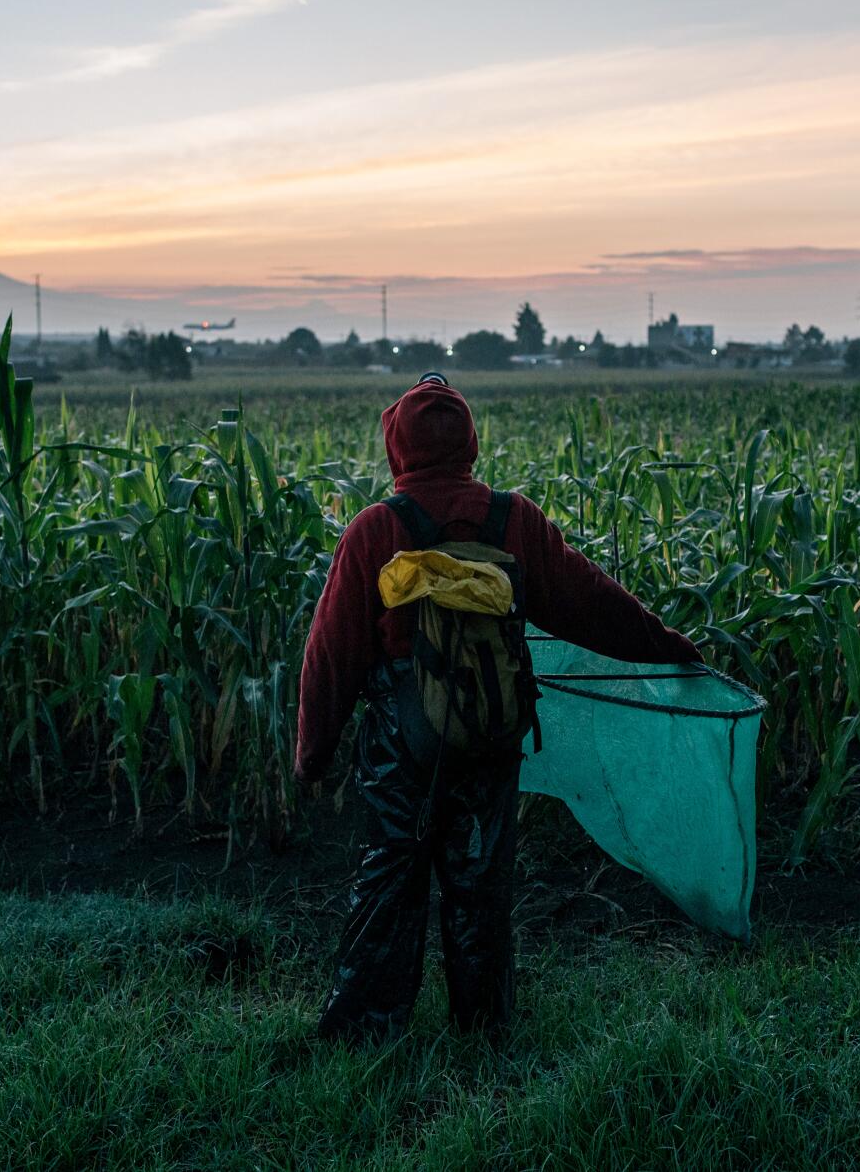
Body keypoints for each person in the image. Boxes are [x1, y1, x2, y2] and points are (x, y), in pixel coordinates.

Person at [296, 372, 699, 1043]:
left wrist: (312, 753)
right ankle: (483, 1030)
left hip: (404, 741)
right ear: (471, 443)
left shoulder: (375, 531)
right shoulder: (514, 520)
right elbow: (591, 604)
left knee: (389, 879)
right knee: (479, 881)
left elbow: (331, 655)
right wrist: (669, 647)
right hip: (491, 730)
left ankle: (366, 1032)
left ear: (398, 447)